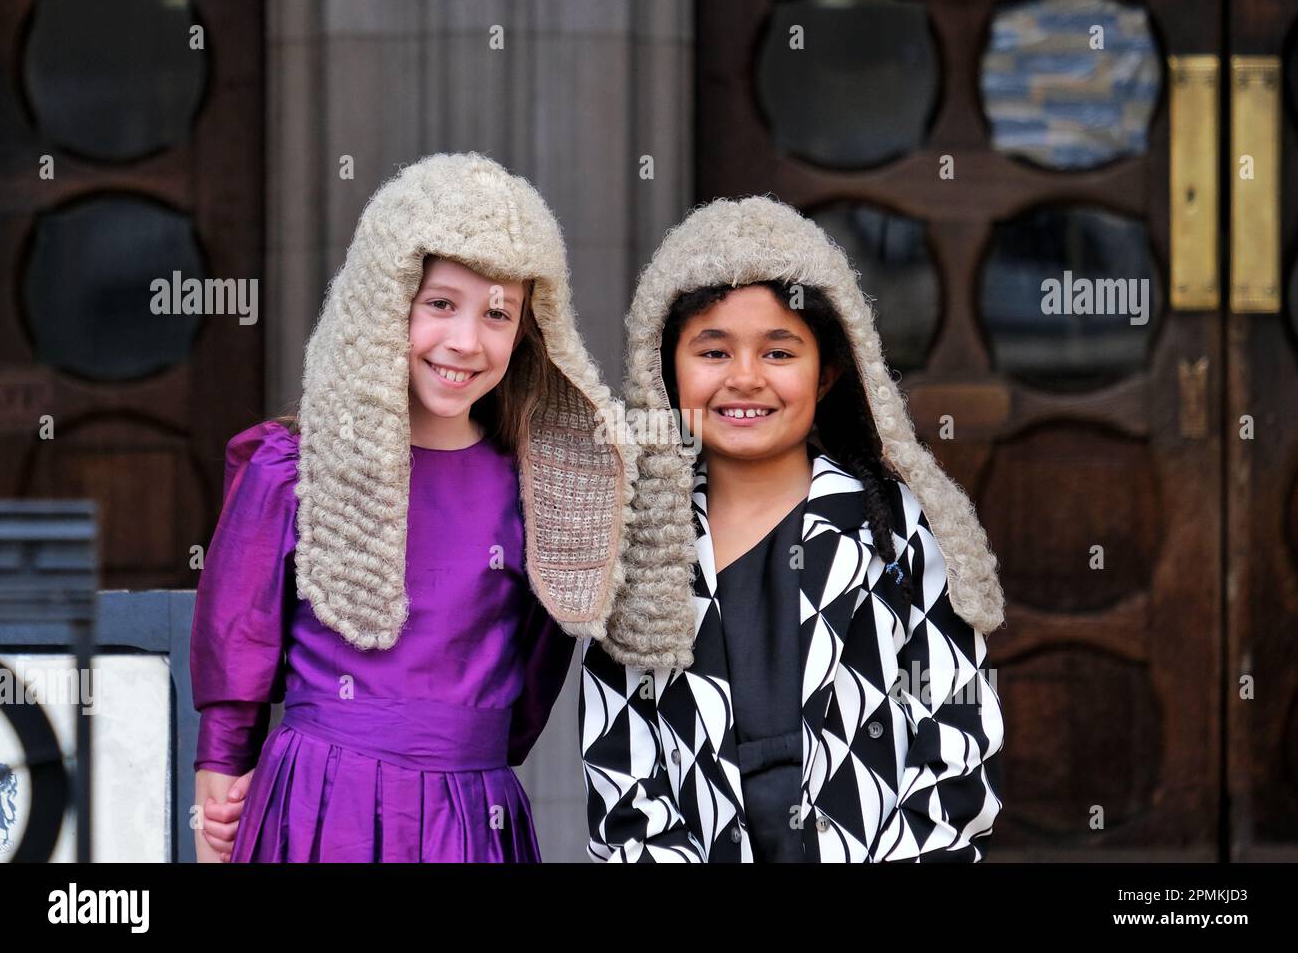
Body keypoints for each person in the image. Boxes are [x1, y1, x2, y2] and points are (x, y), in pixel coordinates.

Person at [191, 152, 631, 862]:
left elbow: (534, 683)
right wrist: (222, 766)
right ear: (384, 299)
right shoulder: (293, 467)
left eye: (498, 314)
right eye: (441, 304)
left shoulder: (542, 492)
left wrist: (458, 746)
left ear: (528, 330)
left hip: (468, 814)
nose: (465, 341)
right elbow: (239, 632)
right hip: (319, 803)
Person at [581, 196, 1006, 862]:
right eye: (713, 351)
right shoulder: (641, 552)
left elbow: (955, 733)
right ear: (665, 373)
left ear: (831, 371)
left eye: (779, 352)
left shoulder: (895, 530)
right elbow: (623, 776)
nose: (745, 379)